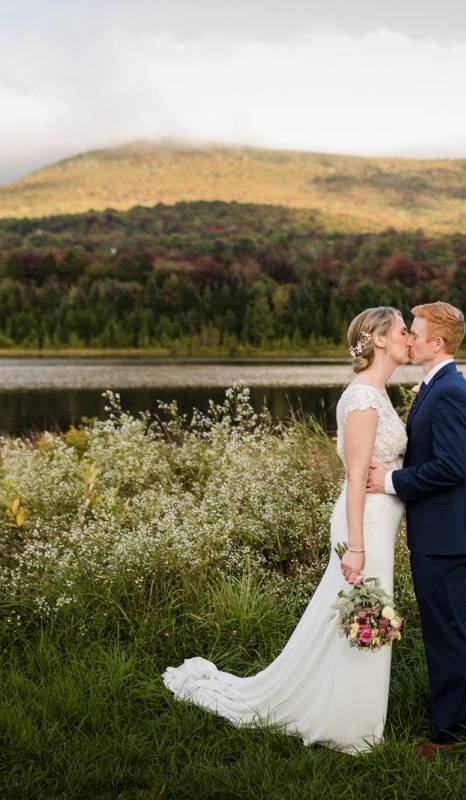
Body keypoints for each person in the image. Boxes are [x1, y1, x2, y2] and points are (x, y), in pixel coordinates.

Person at [162, 306, 410, 755]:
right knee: (363, 614)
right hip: (364, 526)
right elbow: (355, 478)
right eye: (402, 331)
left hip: (377, 522)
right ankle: (349, 727)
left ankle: (349, 711)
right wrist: (355, 546)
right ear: (378, 340)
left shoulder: (378, 392)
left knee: (356, 617)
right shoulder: (364, 399)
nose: (409, 338)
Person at [367, 301, 466, 759]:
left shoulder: (451, 390)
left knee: (445, 630)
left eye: (415, 333)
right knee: (447, 626)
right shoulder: (437, 385)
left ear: (437, 342)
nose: (409, 339)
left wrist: (391, 481)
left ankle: (450, 734)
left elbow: (453, 467)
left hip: (445, 536)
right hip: (440, 533)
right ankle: (457, 713)